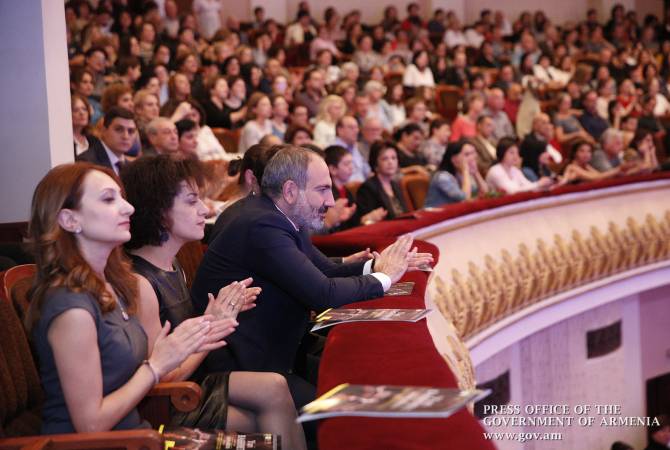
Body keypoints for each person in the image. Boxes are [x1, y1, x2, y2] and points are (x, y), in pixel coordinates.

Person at [191, 145, 423, 408]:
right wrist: (385, 278)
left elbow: (325, 270)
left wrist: (376, 265)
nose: (331, 201)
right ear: (290, 191)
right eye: (322, 189)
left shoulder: (282, 216)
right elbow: (322, 293)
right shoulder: (262, 225)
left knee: (367, 377)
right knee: (345, 413)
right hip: (247, 367)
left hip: (282, 350)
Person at [26, 163, 228, 434]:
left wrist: (186, 343)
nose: (128, 207)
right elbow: (90, 424)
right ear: (70, 220)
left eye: (122, 197)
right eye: (109, 199)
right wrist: (156, 366)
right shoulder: (70, 307)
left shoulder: (112, 285)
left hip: (138, 434)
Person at [121, 156, 307, 449]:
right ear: (159, 211)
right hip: (167, 400)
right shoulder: (141, 283)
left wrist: (217, 314)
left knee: (275, 385)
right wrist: (214, 324)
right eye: (192, 201)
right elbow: (165, 375)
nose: (205, 210)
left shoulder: (173, 264)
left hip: (194, 383)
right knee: (267, 412)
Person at [424, 140, 489, 207]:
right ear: (454, 160)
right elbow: (465, 199)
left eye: (473, 153)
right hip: (437, 216)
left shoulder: (461, 174)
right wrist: (465, 171)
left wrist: (476, 172)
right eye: (467, 154)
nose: (473, 157)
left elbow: (487, 194)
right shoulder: (443, 177)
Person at [356, 141, 409, 223]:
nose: (390, 162)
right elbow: (365, 222)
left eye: (393, 158)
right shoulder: (367, 188)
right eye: (385, 159)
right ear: (375, 163)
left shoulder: (395, 185)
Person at [76, 106, 136, 175]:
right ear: (104, 131)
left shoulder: (132, 167)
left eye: (131, 131)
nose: (126, 136)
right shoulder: (86, 163)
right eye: (119, 129)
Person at [485, 137, 553, 194]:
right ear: (502, 153)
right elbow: (511, 191)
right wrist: (538, 184)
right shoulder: (495, 170)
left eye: (517, 153)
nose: (516, 156)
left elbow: (528, 186)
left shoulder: (515, 170)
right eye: (512, 152)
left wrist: (544, 185)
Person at [333, 116, 371, 182]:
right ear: (340, 130)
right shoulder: (333, 150)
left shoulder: (356, 147)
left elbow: (367, 171)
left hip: (363, 187)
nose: (356, 131)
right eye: (351, 127)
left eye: (356, 127)